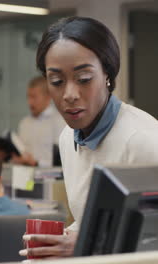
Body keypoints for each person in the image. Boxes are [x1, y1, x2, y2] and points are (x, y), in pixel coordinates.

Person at [19, 16, 158, 259]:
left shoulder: (143, 139)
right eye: (56, 81)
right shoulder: (67, 138)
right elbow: (89, 222)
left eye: (84, 79)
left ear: (107, 74)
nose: (69, 94)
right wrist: (61, 241)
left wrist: (89, 243)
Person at [11, 76, 65, 167]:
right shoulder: (24, 123)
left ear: (48, 97)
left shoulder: (60, 122)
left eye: (34, 97)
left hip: (51, 178)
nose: (30, 102)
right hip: (26, 178)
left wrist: (36, 163)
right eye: (28, 97)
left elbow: (62, 160)